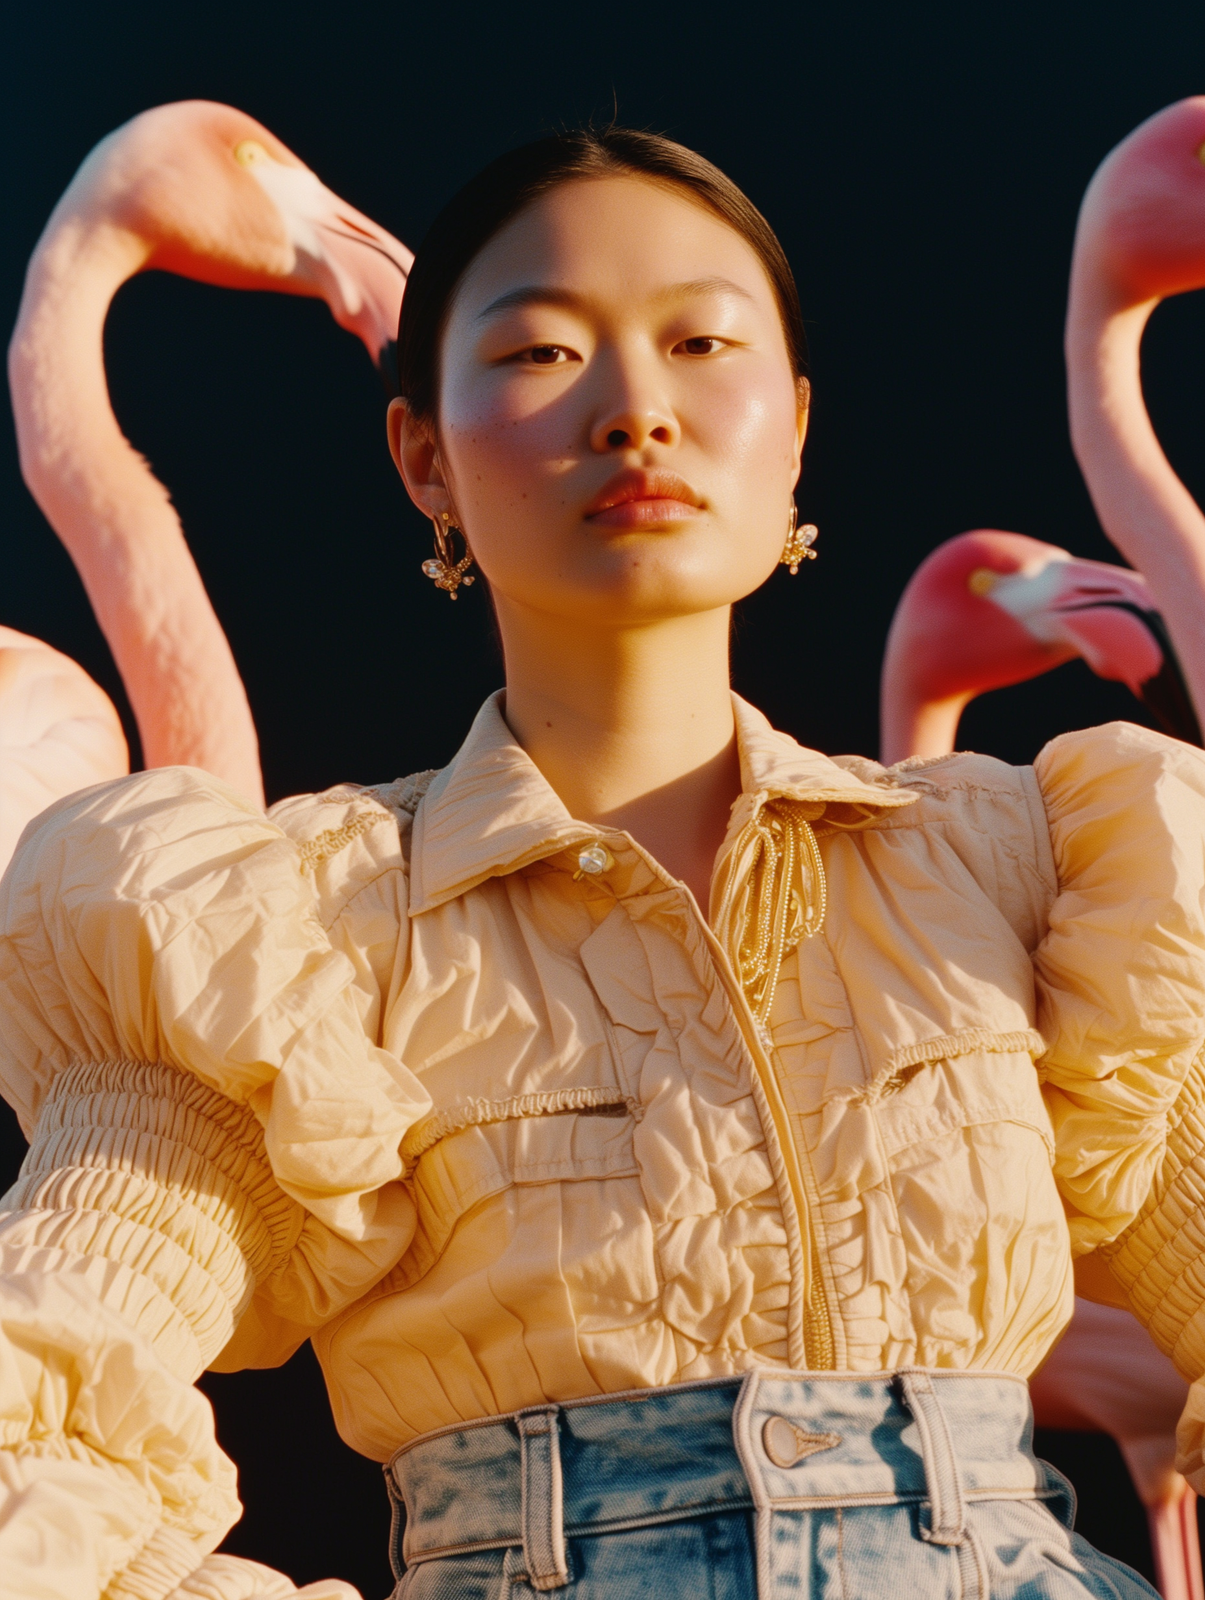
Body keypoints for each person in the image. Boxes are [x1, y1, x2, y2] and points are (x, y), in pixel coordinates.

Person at [0, 126, 1202, 1600]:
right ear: (423, 458)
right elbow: (33, 1412)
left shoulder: (1026, 873)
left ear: (799, 427)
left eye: (702, 340)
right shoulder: (301, 932)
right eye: (541, 354)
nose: (638, 409)